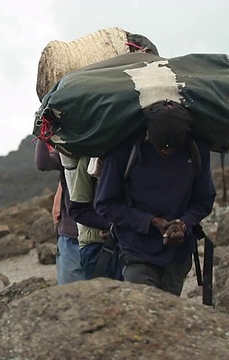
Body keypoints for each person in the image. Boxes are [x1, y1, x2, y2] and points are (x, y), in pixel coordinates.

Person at [95, 100, 216, 296]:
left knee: (168, 315)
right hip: (136, 249)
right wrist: (150, 221)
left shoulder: (196, 150)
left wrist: (183, 224)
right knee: (144, 311)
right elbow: (105, 204)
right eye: (160, 147)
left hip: (178, 254)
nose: (166, 152)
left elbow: (204, 199)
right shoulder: (124, 150)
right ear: (147, 134)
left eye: (172, 148)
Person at [34, 138, 85, 284]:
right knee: (71, 293)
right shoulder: (67, 152)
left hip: (103, 234)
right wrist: (42, 134)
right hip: (71, 234)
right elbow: (42, 163)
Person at [67, 156, 122, 280]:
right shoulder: (88, 159)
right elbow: (77, 210)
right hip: (99, 246)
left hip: (136, 245)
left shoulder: (140, 152)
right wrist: (111, 225)